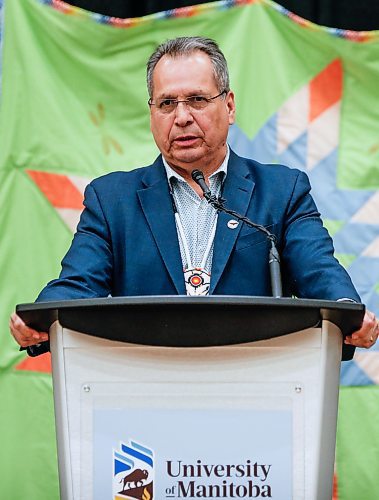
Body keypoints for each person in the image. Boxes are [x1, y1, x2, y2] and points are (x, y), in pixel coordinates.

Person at [10, 36, 379, 355]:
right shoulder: (112, 200)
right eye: (167, 104)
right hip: (143, 391)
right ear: (152, 113)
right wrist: (40, 319)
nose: (182, 117)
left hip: (258, 383)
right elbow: (79, 283)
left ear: (229, 106)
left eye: (197, 100)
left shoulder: (282, 191)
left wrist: (347, 312)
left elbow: (318, 269)